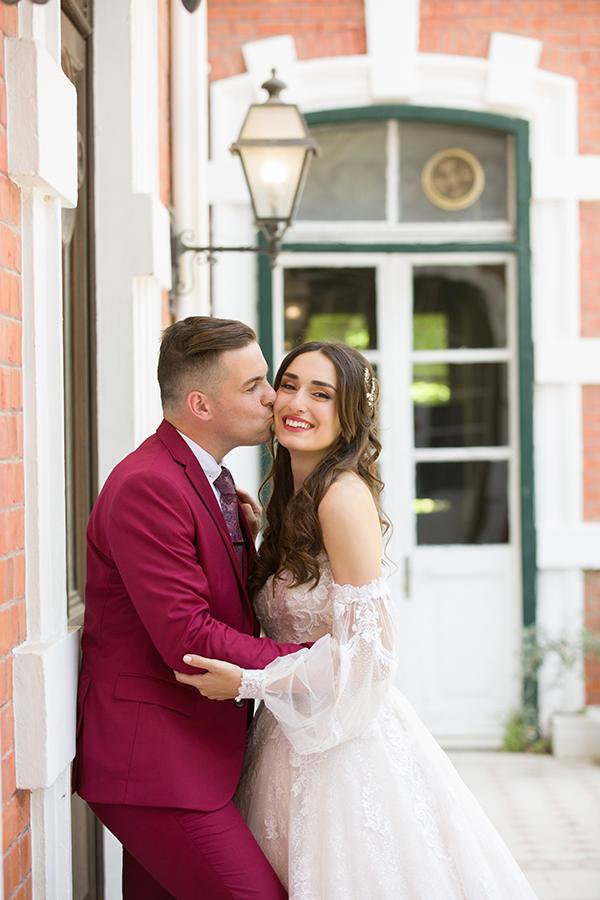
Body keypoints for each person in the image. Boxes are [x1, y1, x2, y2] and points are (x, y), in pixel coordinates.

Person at [176, 340, 540, 900]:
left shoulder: (341, 498)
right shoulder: (292, 494)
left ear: (349, 418)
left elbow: (370, 656)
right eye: (290, 384)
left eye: (322, 394)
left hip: (341, 749)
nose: (297, 402)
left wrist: (248, 681)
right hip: (286, 736)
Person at [73, 317, 312, 900]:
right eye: (254, 384)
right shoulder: (149, 484)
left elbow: (218, 603)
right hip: (154, 764)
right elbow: (191, 636)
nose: (273, 397)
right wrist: (313, 662)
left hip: (195, 754)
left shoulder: (213, 479)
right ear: (201, 404)